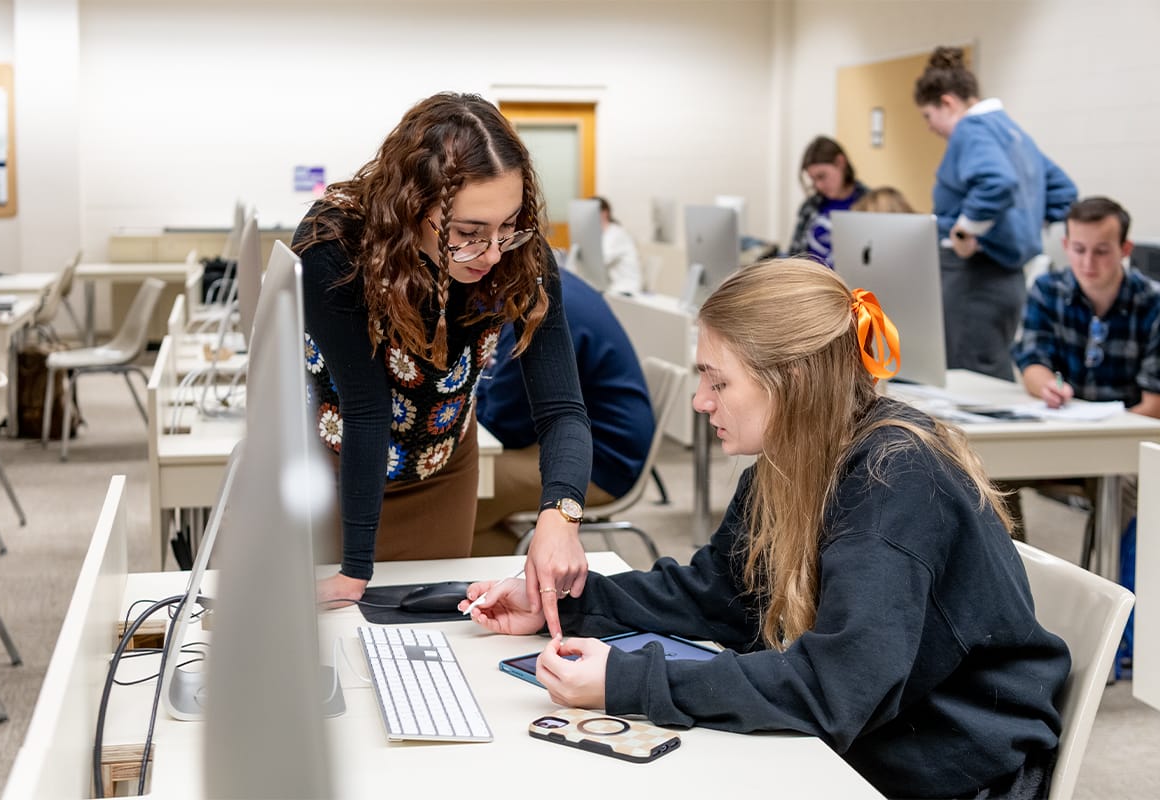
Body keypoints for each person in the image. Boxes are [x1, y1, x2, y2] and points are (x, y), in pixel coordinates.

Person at [465, 259, 1070, 800]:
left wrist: (627, 680)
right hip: (879, 730)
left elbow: (836, 690)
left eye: (718, 380)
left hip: (950, 762)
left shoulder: (894, 481)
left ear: (795, 379)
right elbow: (716, 593)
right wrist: (565, 602)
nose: (701, 401)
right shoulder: (793, 456)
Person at [295, 92, 593, 636]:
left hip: (442, 466)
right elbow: (366, 406)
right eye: (466, 234)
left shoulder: (517, 257)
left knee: (427, 639)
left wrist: (561, 513)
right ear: (412, 208)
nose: (493, 253)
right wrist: (354, 568)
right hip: (338, 469)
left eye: (509, 226)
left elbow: (562, 409)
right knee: (336, 636)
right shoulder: (335, 244)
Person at [914, 46, 1077, 380]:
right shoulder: (1013, 133)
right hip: (1007, 280)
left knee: (969, 383)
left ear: (948, 102)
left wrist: (965, 231)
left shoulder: (971, 131)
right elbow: (1063, 191)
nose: (930, 128)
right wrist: (1025, 221)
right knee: (987, 373)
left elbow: (997, 182)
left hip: (974, 277)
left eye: (928, 116)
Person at [473, 269, 655, 554]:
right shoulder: (546, 280)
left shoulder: (538, 304)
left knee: (453, 498)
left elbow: (505, 426)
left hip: (601, 463)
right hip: (592, 445)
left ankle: (539, 577)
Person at [1007, 195, 1158, 538]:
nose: (1088, 262)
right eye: (1078, 249)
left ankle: (1121, 588)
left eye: (1102, 251)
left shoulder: (1153, 304)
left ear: (1125, 248)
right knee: (987, 478)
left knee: (1128, 489)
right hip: (1057, 433)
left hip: (1125, 442)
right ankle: (1012, 581)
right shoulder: (1048, 290)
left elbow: (1154, 405)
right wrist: (1048, 384)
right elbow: (1032, 360)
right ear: (1065, 245)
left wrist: (1103, 435)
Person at [788, 136, 869, 267]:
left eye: (822, 176)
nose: (818, 186)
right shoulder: (810, 207)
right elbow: (794, 254)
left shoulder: (870, 204)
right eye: (813, 180)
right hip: (809, 282)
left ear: (840, 162)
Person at [595, 196, 643, 294]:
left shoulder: (616, 233)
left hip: (626, 288)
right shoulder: (601, 234)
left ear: (604, 213)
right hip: (612, 286)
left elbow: (600, 261)